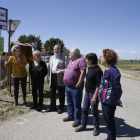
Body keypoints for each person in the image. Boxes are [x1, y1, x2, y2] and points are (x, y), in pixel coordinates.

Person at [75, 53, 103, 136]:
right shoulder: (89, 68)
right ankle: (83, 125)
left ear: (91, 60)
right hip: (87, 93)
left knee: (94, 111)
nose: (85, 60)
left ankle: (96, 127)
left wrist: (95, 96)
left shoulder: (98, 70)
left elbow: (99, 85)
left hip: (93, 93)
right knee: (84, 109)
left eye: (86, 59)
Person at [98, 49, 123, 140]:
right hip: (104, 100)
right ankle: (109, 137)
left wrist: (117, 99)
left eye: (101, 56)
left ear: (106, 58)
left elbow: (117, 88)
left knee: (110, 122)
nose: (100, 58)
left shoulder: (113, 71)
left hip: (109, 101)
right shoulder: (107, 70)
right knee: (107, 120)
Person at [63, 48, 87, 127]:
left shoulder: (81, 60)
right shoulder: (71, 61)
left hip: (75, 87)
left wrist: (79, 83)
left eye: (70, 53)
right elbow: (68, 70)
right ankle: (70, 116)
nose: (69, 54)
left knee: (77, 104)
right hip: (68, 86)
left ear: (75, 53)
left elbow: (83, 72)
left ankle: (77, 120)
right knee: (69, 102)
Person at [47, 44, 69, 114]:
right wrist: (48, 78)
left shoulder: (64, 57)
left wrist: (64, 79)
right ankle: (52, 107)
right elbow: (49, 69)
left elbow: (67, 69)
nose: (56, 50)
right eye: (55, 49)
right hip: (52, 77)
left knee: (61, 94)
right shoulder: (51, 58)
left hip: (60, 77)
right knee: (52, 93)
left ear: (60, 50)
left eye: (58, 49)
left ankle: (61, 108)